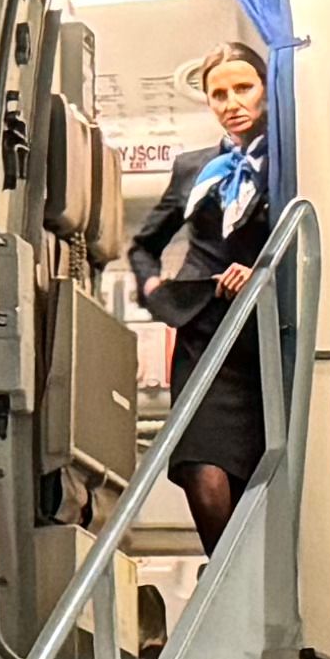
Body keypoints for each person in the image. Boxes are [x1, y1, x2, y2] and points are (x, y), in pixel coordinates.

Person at [123, 42, 283, 540]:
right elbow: (144, 246)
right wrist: (160, 293)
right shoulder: (194, 167)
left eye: (243, 88)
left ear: (267, 91)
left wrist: (260, 269)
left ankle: (250, 583)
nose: (232, 102)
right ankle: (224, 581)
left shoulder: (291, 159)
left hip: (266, 334)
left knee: (259, 473)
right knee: (202, 470)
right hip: (205, 332)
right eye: (219, 94)